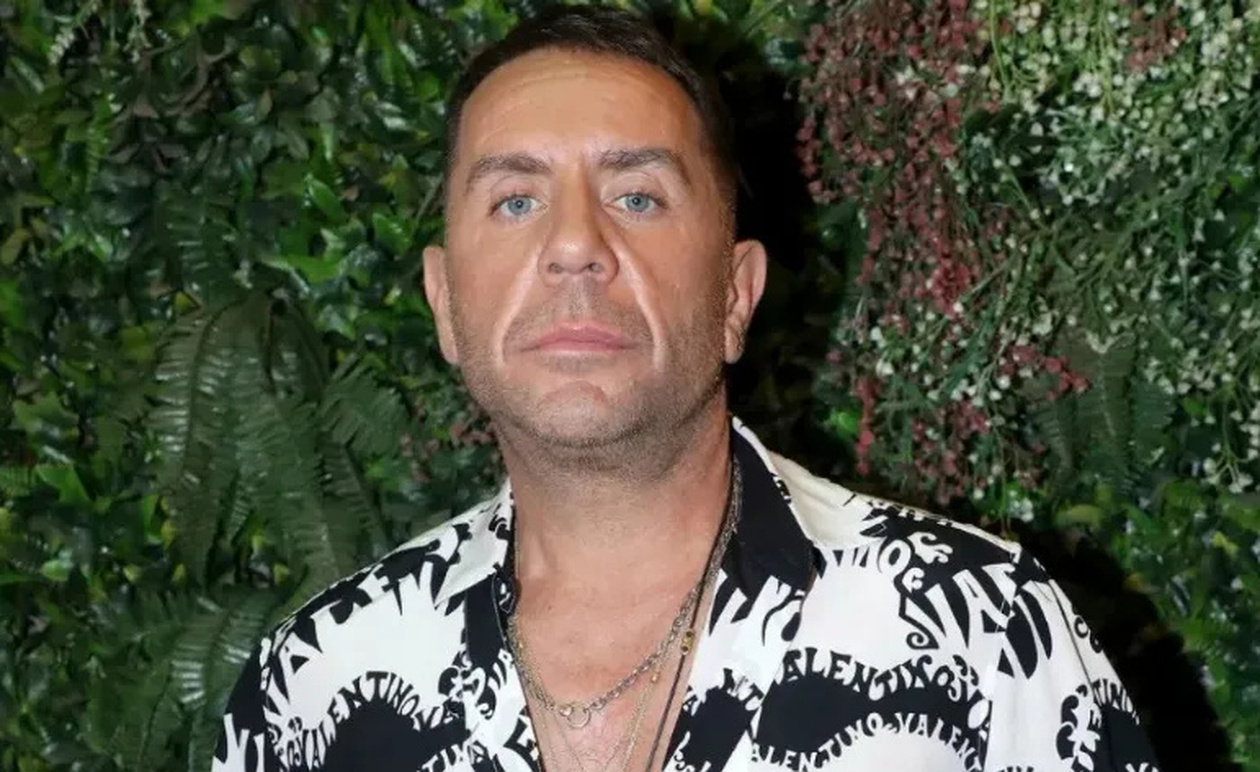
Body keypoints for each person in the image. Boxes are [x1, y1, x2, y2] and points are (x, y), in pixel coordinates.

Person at [213, 6, 1160, 772]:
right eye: (515, 200)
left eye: (637, 197)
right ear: (445, 304)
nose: (575, 245)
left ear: (735, 294)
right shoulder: (316, 685)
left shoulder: (985, 631)